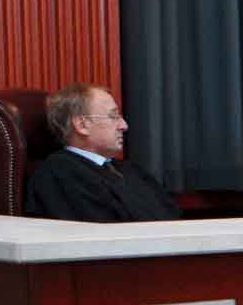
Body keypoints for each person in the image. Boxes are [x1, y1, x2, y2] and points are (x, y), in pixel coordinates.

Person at [24, 83, 182, 223]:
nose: (124, 125)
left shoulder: (130, 170)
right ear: (82, 125)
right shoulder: (58, 176)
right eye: (113, 116)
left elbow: (174, 220)